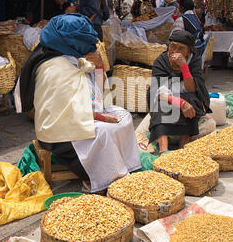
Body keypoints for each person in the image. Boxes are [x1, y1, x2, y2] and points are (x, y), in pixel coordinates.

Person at [17, 13, 141, 193]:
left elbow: (96, 94)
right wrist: (100, 117)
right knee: (104, 132)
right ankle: (100, 179)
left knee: (124, 115)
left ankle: (125, 166)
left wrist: (99, 65)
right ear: (71, 42)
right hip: (60, 133)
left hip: (81, 117)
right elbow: (67, 114)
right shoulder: (55, 68)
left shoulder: (68, 55)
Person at [147, 30, 211, 155]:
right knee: (159, 105)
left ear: (189, 51)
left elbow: (193, 88)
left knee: (192, 100)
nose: (175, 51)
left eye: (181, 48)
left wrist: (184, 67)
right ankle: (163, 150)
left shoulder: (194, 60)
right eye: (172, 46)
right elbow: (158, 92)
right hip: (165, 96)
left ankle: (183, 147)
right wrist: (179, 102)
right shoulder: (161, 61)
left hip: (186, 93)